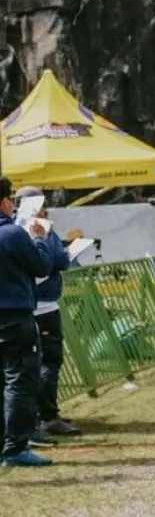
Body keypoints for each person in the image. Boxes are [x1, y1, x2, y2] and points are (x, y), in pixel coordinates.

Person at [14, 186, 81, 440]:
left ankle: (43, 415)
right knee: (47, 363)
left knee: (37, 365)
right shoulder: (36, 227)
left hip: (34, 304)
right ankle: (45, 417)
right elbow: (57, 260)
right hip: (40, 307)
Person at [0, 176, 53, 466]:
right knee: (20, 382)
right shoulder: (12, 234)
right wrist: (40, 241)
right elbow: (41, 266)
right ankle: (15, 448)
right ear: (6, 202)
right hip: (14, 317)